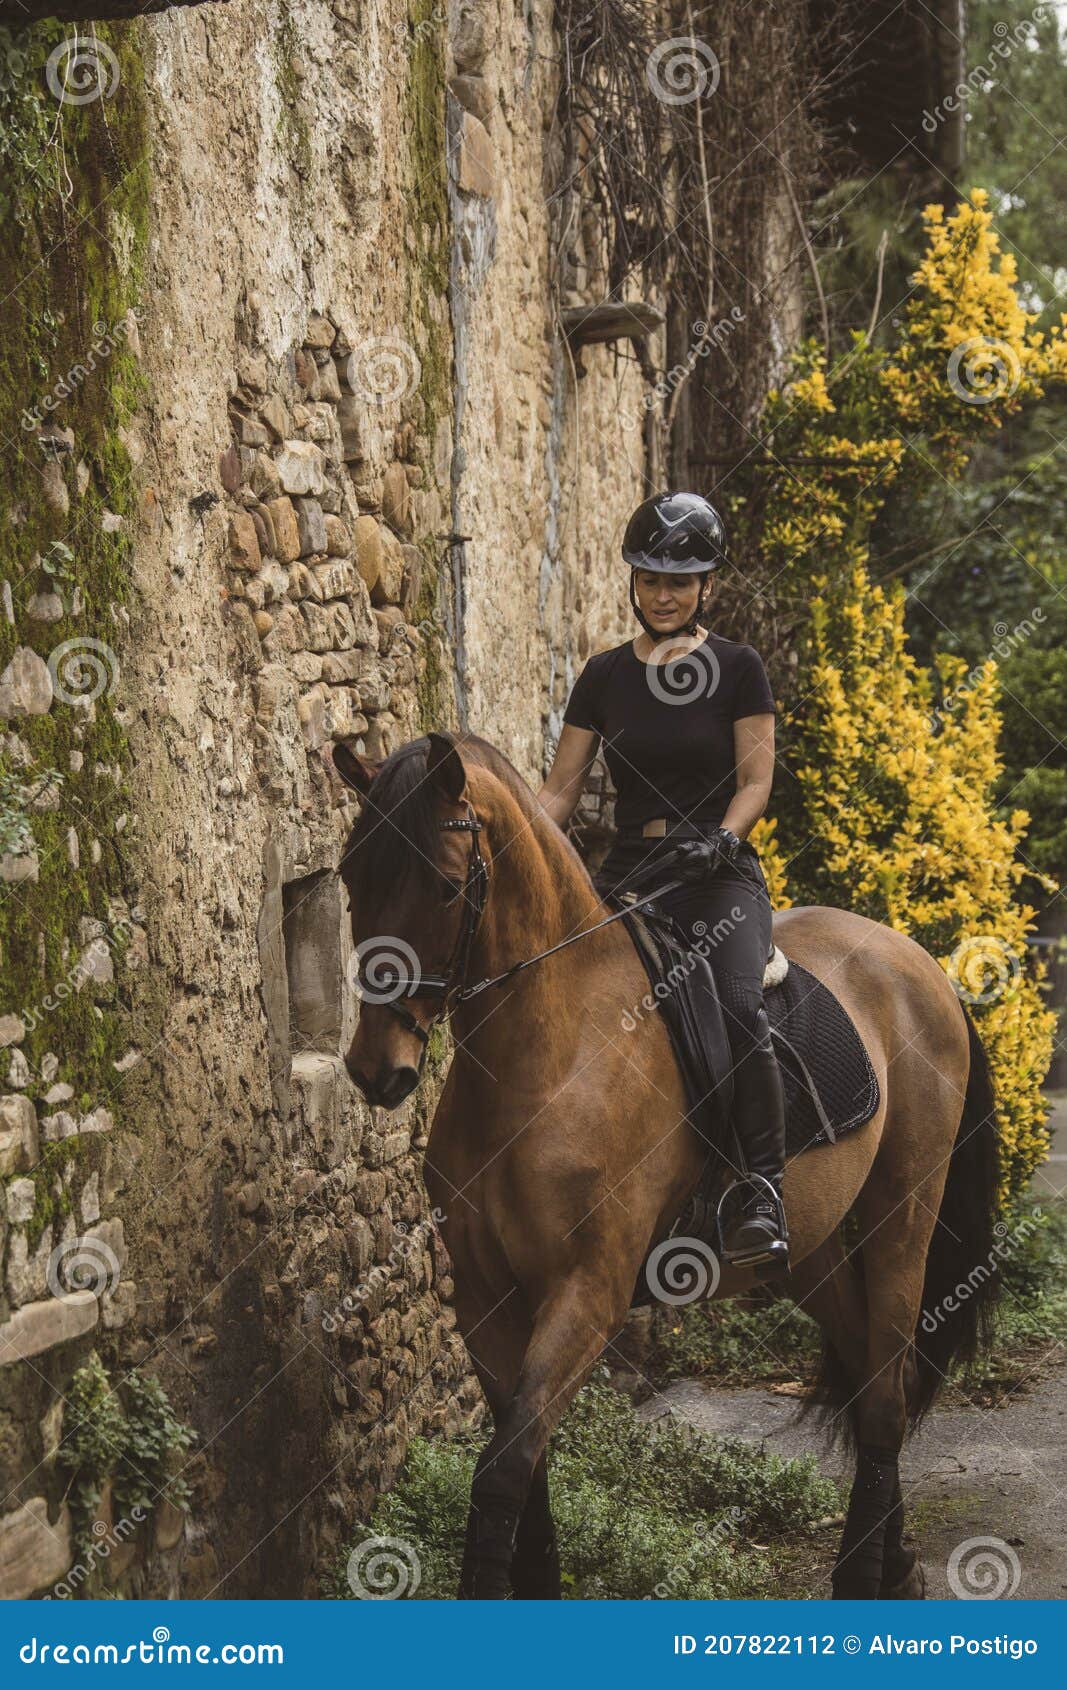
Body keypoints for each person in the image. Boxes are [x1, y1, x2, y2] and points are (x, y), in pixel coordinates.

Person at [534, 490, 788, 1270]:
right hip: (629, 871)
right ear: (633, 582)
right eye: (650, 579)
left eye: (680, 581)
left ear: (707, 585)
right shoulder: (604, 675)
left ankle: (761, 1188)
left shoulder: (738, 668)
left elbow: (754, 780)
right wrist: (525, 841)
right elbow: (561, 788)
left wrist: (720, 840)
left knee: (739, 1006)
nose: (664, 594)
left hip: (715, 877)